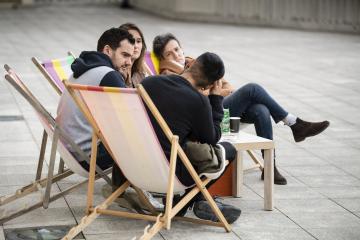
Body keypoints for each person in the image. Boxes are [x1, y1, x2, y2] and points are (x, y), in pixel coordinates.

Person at [152, 33, 330, 185]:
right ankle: (294, 124)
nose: (176, 55)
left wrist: (219, 92)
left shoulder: (196, 63)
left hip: (219, 106)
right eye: (170, 54)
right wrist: (217, 94)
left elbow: (230, 88)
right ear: (163, 60)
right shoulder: (170, 75)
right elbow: (204, 100)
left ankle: (269, 166)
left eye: (177, 49)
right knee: (252, 89)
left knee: (261, 109)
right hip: (211, 113)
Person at [141, 52, 241, 224]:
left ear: (191, 63)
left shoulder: (148, 83)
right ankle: (185, 202)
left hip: (137, 165)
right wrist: (216, 99)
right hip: (171, 172)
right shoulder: (198, 101)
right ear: (210, 85)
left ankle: (188, 202)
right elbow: (212, 139)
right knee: (228, 149)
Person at [57, 27, 134, 171]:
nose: (129, 62)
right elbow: (133, 116)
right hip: (89, 156)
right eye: (125, 55)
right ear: (108, 50)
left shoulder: (85, 68)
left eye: (131, 57)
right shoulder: (108, 74)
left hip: (69, 150)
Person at [119, 23, 148, 87]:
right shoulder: (117, 72)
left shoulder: (142, 72)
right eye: (131, 41)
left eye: (138, 41)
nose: (136, 46)